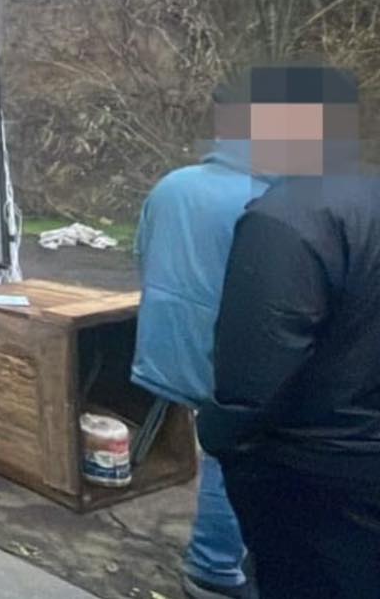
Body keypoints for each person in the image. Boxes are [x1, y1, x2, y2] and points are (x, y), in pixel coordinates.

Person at [199, 66, 379, 599]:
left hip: (310, 468)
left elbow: (256, 367)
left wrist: (218, 435)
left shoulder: (285, 218)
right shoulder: (367, 196)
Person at [132, 72, 272, 599]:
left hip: (168, 352)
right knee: (240, 449)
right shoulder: (269, 197)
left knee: (226, 442)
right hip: (228, 361)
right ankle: (213, 568)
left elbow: (143, 258)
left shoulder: (172, 185)